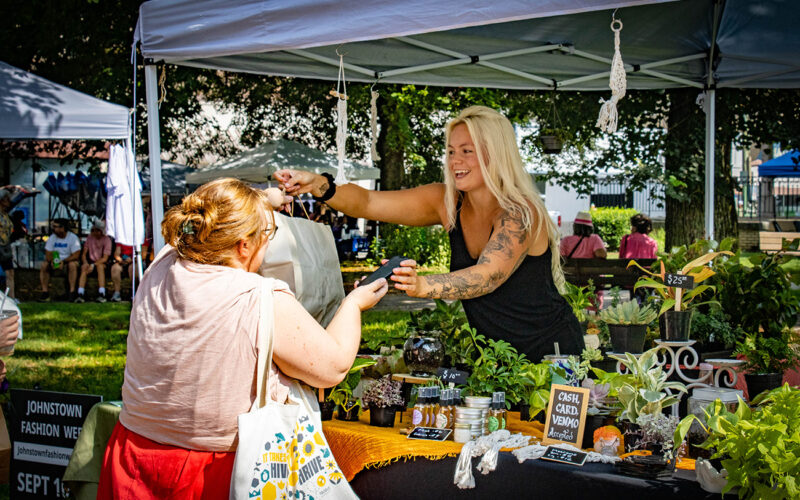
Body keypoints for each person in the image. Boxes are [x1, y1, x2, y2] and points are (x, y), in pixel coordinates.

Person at [97, 178, 387, 499]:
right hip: (210, 472)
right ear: (243, 245)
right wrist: (355, 303)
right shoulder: (259, 296)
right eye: (268, 234)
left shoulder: (163, 262)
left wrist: (268, 197)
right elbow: (332, 368)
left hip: (134, 456)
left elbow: (215, 210)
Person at [275, 105, 585, 362]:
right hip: (497, 359)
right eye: (451, 151)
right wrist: (319, 185)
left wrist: (421, 284)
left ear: (497, 154)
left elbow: (487, 276)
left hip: (552, 354)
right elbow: (369, 202)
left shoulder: (520, 211)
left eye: (467, 151)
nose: (455, 161)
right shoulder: (447, 202)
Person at [39, 218, 82, 302]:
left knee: (73, 265)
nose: (53, 229)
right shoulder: (52, 238)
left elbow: (76, 255)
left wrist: (64, 261)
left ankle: (72, 292)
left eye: (55, 227)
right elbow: (48, 254)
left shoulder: (73, 238)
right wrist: (54, 261)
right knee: (44, 265)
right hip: (55, 261)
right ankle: (45, 292)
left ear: (63, 228)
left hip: (68, 261)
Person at [75, 220, 112, 303]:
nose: (94, 232)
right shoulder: (89, 238)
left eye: (96, 230)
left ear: (100, 231)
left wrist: (93, 265)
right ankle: (80, 293)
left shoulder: (107, 240)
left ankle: (102, 293)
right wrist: (85, 262)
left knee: (100, 267)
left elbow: (105, 258)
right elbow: (84, 253)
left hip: (102, 262)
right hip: (90, 261)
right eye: (92, 230)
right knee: (84, 267)